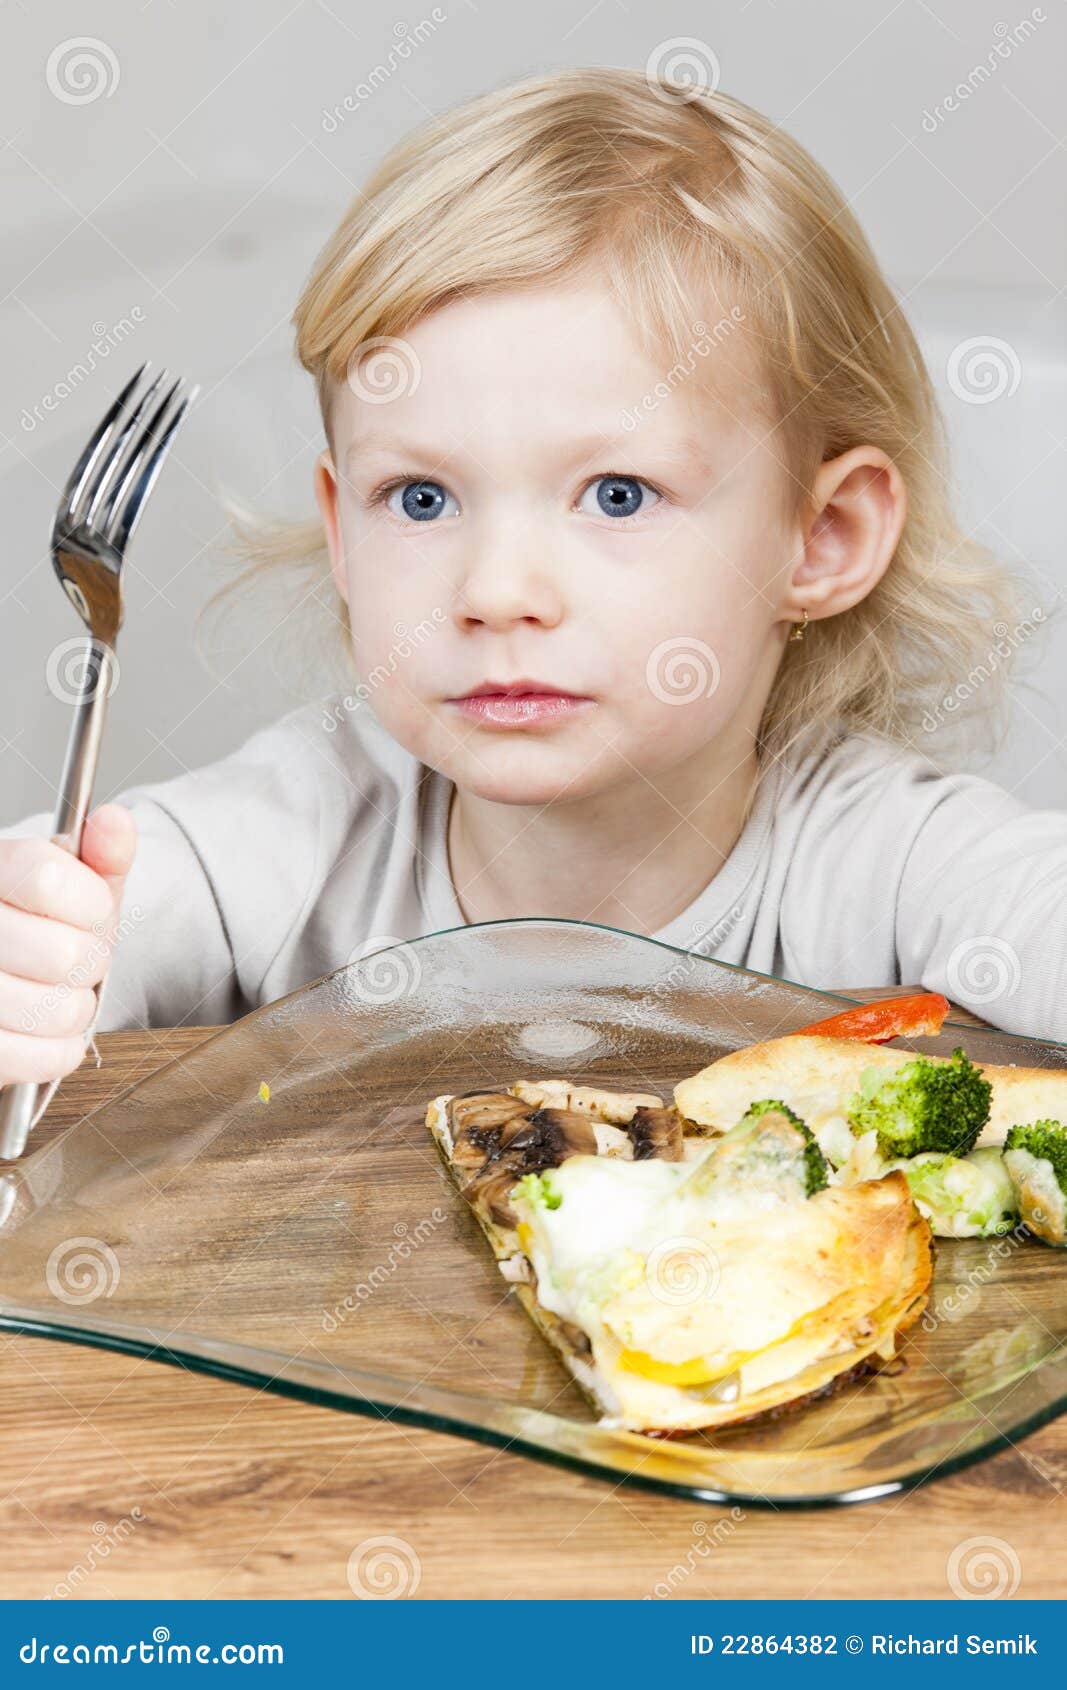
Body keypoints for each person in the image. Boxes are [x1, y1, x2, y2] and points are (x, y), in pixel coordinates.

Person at [1, 66, 1063, 1097]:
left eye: (615, 495)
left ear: (820, 537)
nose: (497, 591)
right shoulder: (300, 829)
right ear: (340, 531)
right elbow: (89, 915)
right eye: (420, 499)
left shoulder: (881, 856)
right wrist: (38, 957)